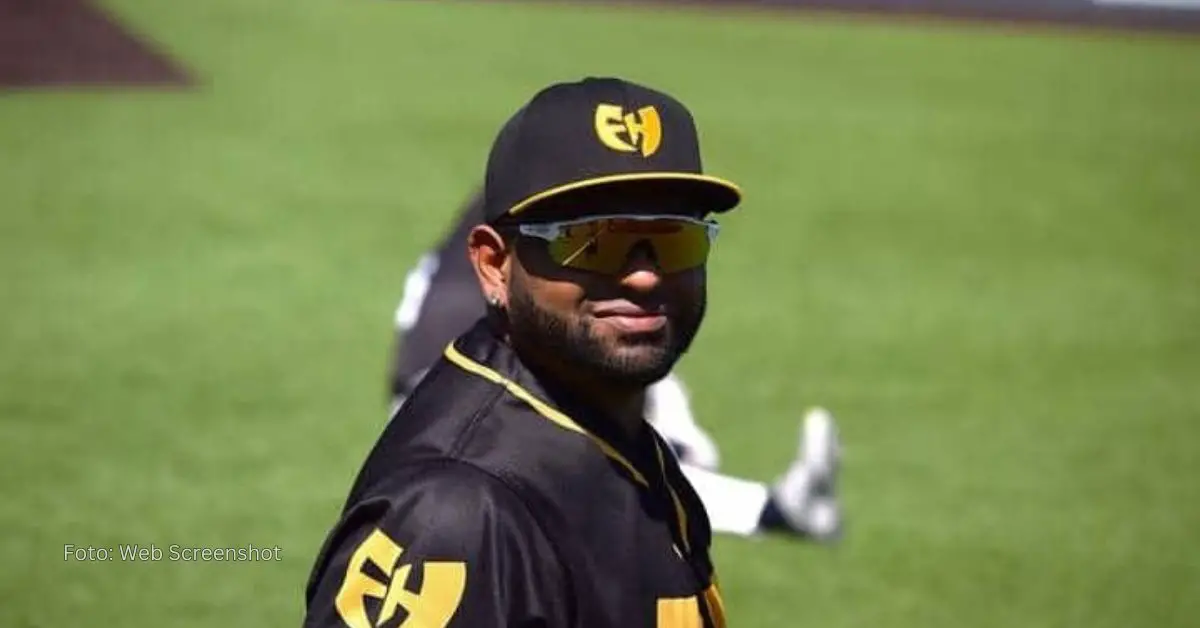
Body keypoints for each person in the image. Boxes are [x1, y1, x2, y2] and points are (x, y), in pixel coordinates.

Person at [304, 76, 772, 627]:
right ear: (493, 264)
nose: (646, 275)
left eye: (675, 237)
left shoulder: (613, 439)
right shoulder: (453, 517)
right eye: (594, 242)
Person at [389, 191, 843, 541]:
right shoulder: (532, 250)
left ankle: (774, 507)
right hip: (454, 393)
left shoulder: (512, 225)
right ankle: (778, 510)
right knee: (594, 475)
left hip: (440, 383)